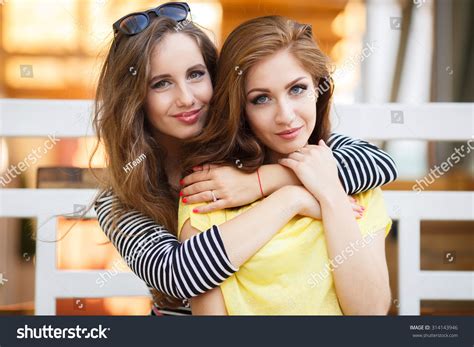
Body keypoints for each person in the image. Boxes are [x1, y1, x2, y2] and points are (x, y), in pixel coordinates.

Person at [92, 3, 397, 315]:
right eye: (161, 83)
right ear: (134, 100)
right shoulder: (118, 201)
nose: (186, 97)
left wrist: (260, 182)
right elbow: (179, 276)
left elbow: (379, 164)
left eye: (196, 74)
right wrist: (294, 199)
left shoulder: (256, 151)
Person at [178, 16, 392, 315]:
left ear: (319, 89)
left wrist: (329, 196)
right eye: (261, 99)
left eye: (297, 89)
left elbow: (370, 312)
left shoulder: (351, 181)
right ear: (240, 109)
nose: (286, 116)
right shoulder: (214, 186)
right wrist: (294, 199)